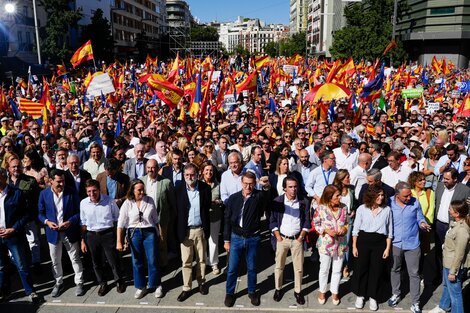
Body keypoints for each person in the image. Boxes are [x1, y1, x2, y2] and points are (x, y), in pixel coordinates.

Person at [223, 171, 270, 307]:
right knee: (232, 268)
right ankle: (230, 293)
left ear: (255, 184)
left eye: (251, 184)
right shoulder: (233, 198)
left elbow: (267, 197)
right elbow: (227, 220)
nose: (248, 187)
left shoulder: (258, 197)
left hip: (253, 238)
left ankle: (252, 291)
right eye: (245, 184)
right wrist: (226, 240)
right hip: (236, 237)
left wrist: (266, 186)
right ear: (241, 183)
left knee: (252, 267)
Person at [38, 169, 84, 297]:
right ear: (51, 181)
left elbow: (79, 212)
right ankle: (59, 283)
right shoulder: (44, 194)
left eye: (63, 181)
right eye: (58, 181)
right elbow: (40, 214)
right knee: (55, 260)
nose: (61, 184)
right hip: (53, 233)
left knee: (75, 258)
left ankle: (79, 282)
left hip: (69, 231)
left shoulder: (71, 191)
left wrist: (70, 222)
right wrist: (47, 222)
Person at [387, 182, 431, 313]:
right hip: (395, 243)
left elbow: (420, 217)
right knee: (395, 269)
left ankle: (415, 302)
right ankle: (396, 293)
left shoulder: (415, 202)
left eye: (409, 195)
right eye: (405, 196)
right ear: (397, 195)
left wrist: (422, 223)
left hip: (412, 244)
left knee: (414, 274)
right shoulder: (389, 203)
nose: (408, 198)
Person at [116, 179, 163, 299]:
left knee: (152, 259)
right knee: (137, 261)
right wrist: (119, 241)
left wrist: (160, 234)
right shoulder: (127, 203)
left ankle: (156, 284)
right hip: (134, 233)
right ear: (132, 190)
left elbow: (155, 220)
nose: (142, 192)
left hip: (149, 232)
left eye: (143, 189)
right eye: (139, 190)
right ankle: (141, 286)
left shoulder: (149, 200)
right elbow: (120, 224)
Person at [80, 179, 125, 296]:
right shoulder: (83, 203)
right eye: (89, 191)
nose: (92, 194)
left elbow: (117, 218)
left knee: (113, 260)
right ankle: (102, 283)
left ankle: (119, 281)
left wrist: (119, 237)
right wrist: (82, 240)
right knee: (96, 262)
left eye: (94, 191)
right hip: (91, 235)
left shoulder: (109, 201)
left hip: (107, 234)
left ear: (99, 190)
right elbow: (83, 223)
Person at [0, 168, 39, 302]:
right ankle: (4, 292)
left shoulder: (16, 193)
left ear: (4, 177)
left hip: (14, 235)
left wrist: (13, 229)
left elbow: (26, 215)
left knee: (21, 264)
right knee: (1, 266)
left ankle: (30, 291)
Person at [269, 176, 310, 305]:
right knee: (279, 266)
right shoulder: (277, 201)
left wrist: (301, 237)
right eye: (290, 187)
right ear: (285, 188)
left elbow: (307, 221)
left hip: (297, 239)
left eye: (295, 186)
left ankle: (298, 291)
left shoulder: (303, 201)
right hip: (282, 239)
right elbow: (272, 221)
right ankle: (278, 289)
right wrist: (278, 237)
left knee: (298, 268)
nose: (293, 189)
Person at [352, 185, 393, 311]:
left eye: (382, 195)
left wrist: (387, 248)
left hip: (379, 243)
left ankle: (374, 296)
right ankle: (360, 294)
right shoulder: (361, 209)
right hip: (363, 241)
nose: (381, 197)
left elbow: (389, 231)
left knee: (377, 270)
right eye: (378, 195)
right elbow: (356, 230)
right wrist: (354, 246)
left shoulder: (387, 210)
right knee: (361, 268)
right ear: (371, 196)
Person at [174, 163, 211, 302]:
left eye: (192, 174)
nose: (190, 177)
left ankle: (201, 283)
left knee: (201, 260)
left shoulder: (205, 188)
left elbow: (206, 208)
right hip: (185, 231)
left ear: (197, 175)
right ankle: (186, 287)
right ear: (184, 176)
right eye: (187, 175)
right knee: (186, 262)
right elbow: (176, 212)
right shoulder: (178, 189)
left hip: (200, 229)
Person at [429, 200, 470, 313]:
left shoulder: (462, 230)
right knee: (447, 287)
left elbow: (459, 254)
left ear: (457, 213)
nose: (448, 210)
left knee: (455, 293)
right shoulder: (456, 224)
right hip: (448, 262)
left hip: (453, 265)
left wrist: (453, 271)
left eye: (451, 209)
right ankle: (444, 306)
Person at [313, 184, 349, 305]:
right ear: (329, 197)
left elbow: (347, 222)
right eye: (337, 196)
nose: (340, 197)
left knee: (337, 270)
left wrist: (344, 229)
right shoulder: (321, 208)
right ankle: (322, 291)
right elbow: (316, 224)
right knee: (324, 269)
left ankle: (335, 291)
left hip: (341, 244)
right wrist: (326, 230)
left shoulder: (344, 208)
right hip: (325, 244)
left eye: (340, 195)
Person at [433, 168, 470, 282]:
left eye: (447, 179)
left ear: (455, 179)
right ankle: (441, 274)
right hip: (439, 224)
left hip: (454, 225)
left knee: (455, 251)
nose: (444, 180)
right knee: (439, 250)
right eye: (444, 178)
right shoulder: (439, 186)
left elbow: (467, 209)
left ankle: (456, 274)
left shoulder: (465, 190)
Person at [140, 159, 176, 268]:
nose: (151, 170)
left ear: (157, 169)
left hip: (161, 218)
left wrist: (171, 217)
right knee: (147, 244)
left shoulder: (166, 182)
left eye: (153, 167)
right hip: (145, 219)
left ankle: (163, 265)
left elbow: (172, 201)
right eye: (149, 168)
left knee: (162, 243)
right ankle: (149, 266)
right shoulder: (141, 181)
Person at [7, 158, 42, 270]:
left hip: (28, 216)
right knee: (12, 243)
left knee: (33, 241)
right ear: (9, 168)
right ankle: (15, 264)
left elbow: (37, 198)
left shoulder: (30, 180)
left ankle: (36, 263)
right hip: (12, 219)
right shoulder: (5, 182)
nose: (16, 168)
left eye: (18, 166)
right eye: (13, 167)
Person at [200, 161, 223, 275]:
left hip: (215, 215)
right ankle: (203, 262)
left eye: (211, 170)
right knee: (202, 241)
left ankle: (214, 263)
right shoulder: (199, 184)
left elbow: (222, 198)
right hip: (202, 217)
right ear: (202, 171)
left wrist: (219, 202)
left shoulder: (217, 184)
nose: (209, 172)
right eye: (207, 170)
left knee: (213, 240)